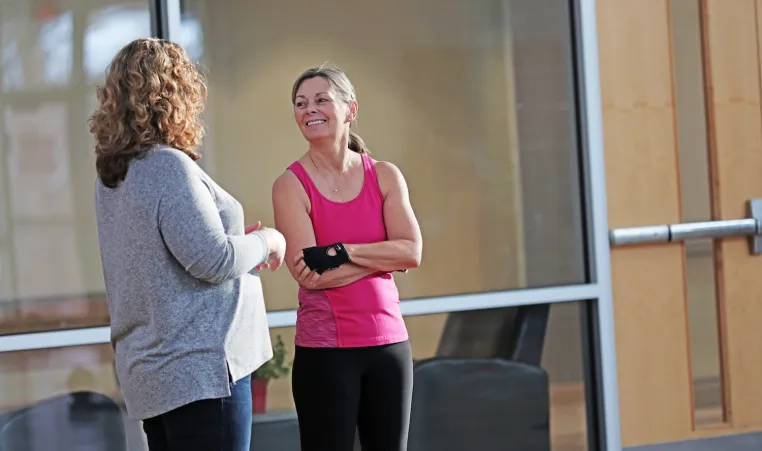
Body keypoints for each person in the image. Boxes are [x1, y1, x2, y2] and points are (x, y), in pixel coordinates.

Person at [90, 38, 286, 451]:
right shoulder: (167, 166)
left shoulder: (114, 176)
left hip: (157, 376)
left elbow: (168, 256)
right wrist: (266, 240)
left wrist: (235, 240)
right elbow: (213, 260)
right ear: (175, 93)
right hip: (200, 374)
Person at [272, 64, 423, 451]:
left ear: (350, 110)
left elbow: (412, 250)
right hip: (326, 355)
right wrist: (381, 258)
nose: (309, 109)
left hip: (389, 348)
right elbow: (310, 274)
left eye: (322, 100)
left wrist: (342, 252)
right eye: (301, 103)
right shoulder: (290, 185)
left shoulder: (386, 175)